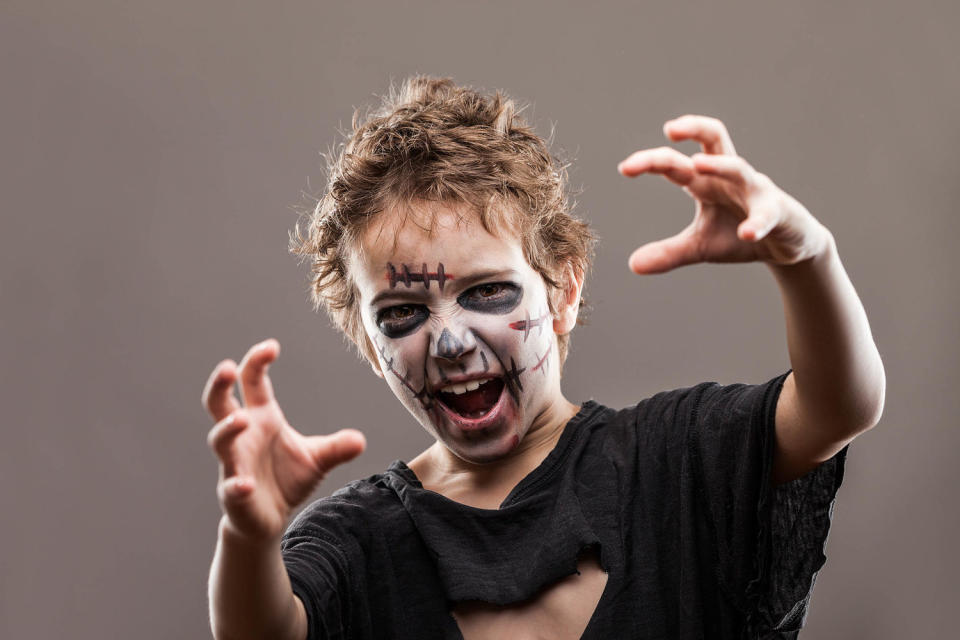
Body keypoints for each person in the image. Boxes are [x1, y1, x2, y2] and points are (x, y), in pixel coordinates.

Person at [201, 77, 885, 639]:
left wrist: (806, 256)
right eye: (402, 314)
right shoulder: (357, 545)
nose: (450, 342)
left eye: (488, 291)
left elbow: (838, 407)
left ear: (563, 287)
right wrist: (249, 536)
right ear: (367, 346)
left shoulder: (675, 464)